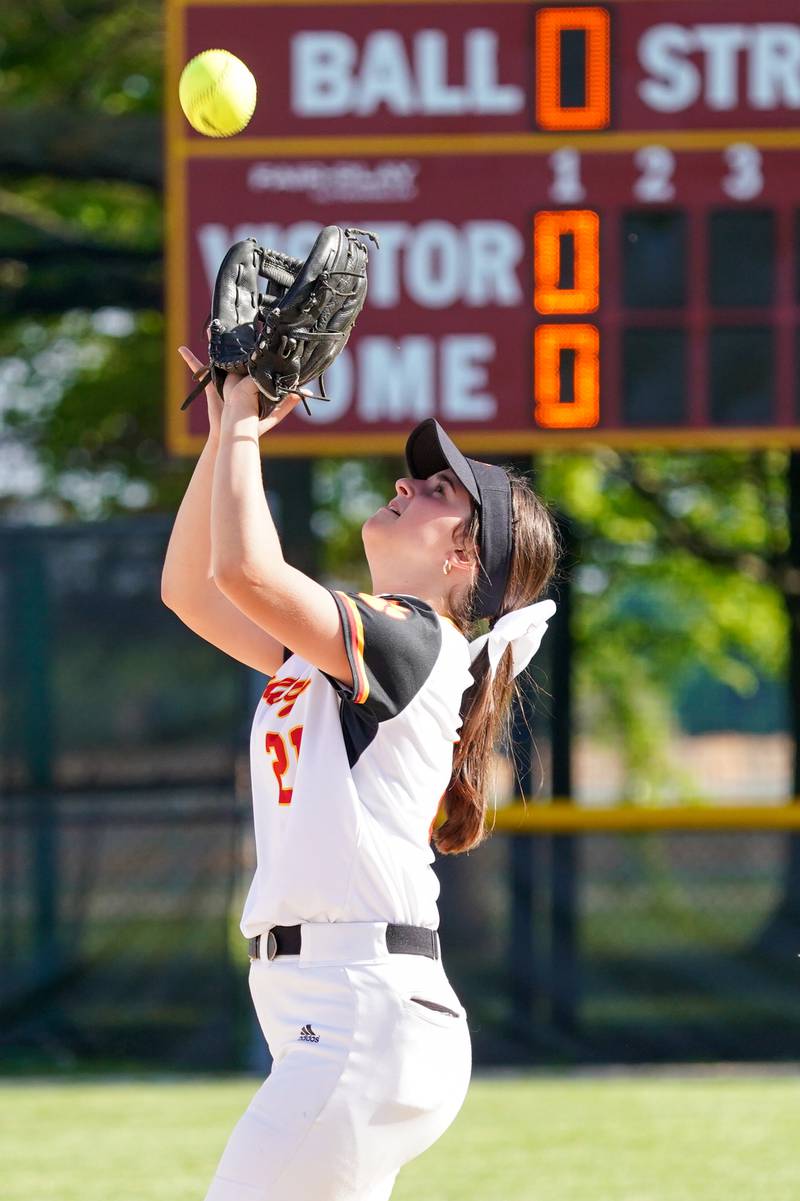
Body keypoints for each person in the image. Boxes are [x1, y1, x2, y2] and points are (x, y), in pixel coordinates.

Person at [162, 346, 561, 1201]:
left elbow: (243, 572)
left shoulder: (410, 636)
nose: (409, 485)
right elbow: (193, 592)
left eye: (440, 492)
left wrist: (242, 419)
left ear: (465, 560)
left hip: (357, 1015)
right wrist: (225, 432)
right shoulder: (358, 649)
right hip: (343, 1014)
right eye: (422, 479)